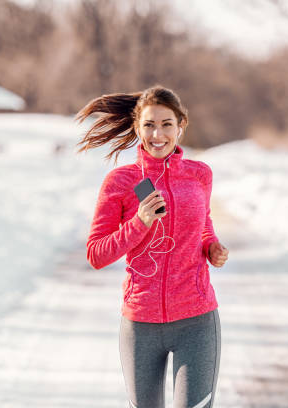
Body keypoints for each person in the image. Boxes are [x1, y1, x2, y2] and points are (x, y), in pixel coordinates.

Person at [76, 85, 229, 408]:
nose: (157, 134)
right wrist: (139, 222)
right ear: (137, 127)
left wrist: (212, 246)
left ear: (181, 125)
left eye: (166, 124)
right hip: (140, 325)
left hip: (196, 320)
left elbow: (204, 224)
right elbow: (96, 254)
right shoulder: (120, 182)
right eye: (149, 125)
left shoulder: (200, 175)